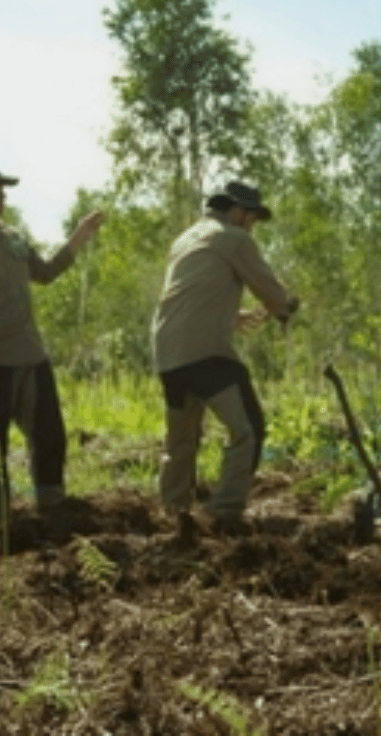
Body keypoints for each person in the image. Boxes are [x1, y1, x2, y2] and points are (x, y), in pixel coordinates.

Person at [0, 162, 105, 530]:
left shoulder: (11, 238)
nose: (3, 196)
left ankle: (53, 506)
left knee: (50, 435)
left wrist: (77, 239)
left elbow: (44, 272)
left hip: (31, 354)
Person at [151, 180, 298, 532]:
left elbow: (189, 295)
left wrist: (233, 318)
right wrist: (285, 308)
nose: (254, 225)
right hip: (206, 353)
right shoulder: (235, 238)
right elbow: (269, 289)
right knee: (248, 429)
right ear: (238, 212)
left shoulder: (188, 237)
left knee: (182, 438)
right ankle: (224, 512)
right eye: (253, 217)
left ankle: (174, 509)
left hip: (168, 352)